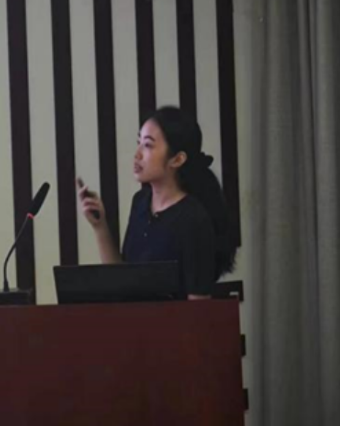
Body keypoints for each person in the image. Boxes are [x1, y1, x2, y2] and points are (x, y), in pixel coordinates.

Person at [77, 106, 237, 299]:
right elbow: (122, 281)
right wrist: (99, 226)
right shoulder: (140, 202)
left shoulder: (193, 218)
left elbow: (198, 307)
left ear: (177, 159)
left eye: (148, 145)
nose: (137, 154)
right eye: (139, 143)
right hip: (136, 318)